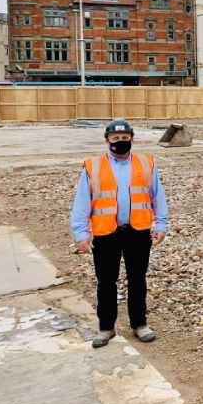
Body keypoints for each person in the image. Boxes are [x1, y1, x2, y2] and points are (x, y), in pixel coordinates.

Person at [70, 119, 168, 348]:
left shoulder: (146, 164)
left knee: (137, 280)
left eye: (125, 139)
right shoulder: (92, 166)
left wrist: (161, 224)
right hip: (106, 233)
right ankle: (106, 328)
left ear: (132, 139)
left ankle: (139, 324)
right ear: (107, 141)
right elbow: (82, 202)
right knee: (106, 281)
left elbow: (157, 196)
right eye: (115, 139)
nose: (120, 143)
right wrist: (80, 233)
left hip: (138, 231)